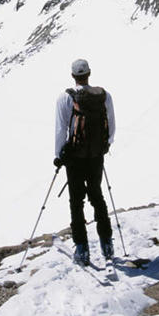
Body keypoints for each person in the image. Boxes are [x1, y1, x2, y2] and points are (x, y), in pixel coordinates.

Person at [54, 58, 116, 265]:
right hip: (96, 154)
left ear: (73, 76)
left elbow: (61, 129)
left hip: (74, 157)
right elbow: (111, 124)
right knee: (97, 196)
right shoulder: (103, 96)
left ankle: (82, 248)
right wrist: (104, 145)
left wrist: (58, 155)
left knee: (76, 201)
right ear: (89, 73)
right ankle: (107, 243)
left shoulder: (65, 97)